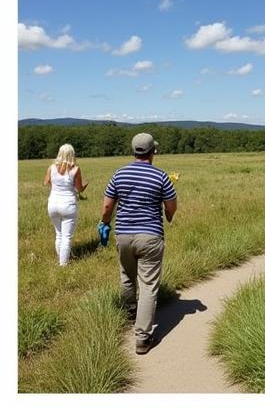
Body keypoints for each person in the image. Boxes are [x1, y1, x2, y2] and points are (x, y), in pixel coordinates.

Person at [100, 133, 177, 354]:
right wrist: (168, 216)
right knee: (149, 286)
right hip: (151, 237)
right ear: (153, 151)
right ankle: (143, 337)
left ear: (134, 151)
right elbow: (171, 206)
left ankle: (131, 312)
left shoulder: (119, 174)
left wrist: (104, 223)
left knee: (126, 275)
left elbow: (107, 207)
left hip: (123, 235)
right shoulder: (161, 176)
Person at [44, 143, 87, 266]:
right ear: (72, 154)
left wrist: (56, 184)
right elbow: (80, 189)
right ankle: (63, 265)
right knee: (67, 237)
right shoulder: (75, 169)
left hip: (52, 204)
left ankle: (61, 259)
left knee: (58, 234)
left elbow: (46, 182)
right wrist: (85, 185)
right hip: (68, 205)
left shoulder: (51, 167)